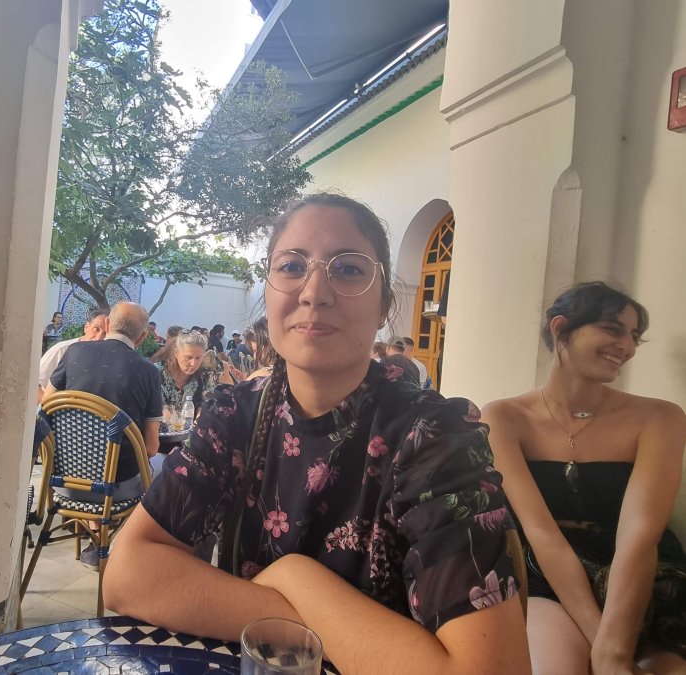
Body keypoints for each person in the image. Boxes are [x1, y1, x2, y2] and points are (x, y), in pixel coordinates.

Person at [104, 193, 529, 674]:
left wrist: (294, 576)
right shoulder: (234, 414)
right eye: (291, 266)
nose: (314, 292)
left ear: (384, 306)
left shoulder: (435, 437)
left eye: (348, 269)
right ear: (268, 293)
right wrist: (306, 619)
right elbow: (127, 574)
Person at [482, 282, 686, 675]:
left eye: (634, 336)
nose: (627, 347)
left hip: (644, 575)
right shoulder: (504, 417)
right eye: (612, 329)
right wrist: (605, 648)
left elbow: (639, 536)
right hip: (547, 575)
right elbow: (541, 533)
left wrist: (616, 649)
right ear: (561, 328)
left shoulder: (662, 418)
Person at [43, 302, 164, 567]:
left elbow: (47, 406)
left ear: (108, 324)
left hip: (64, 484)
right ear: (142, 337)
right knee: (160, 466)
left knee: (101, 461)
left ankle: (95, 540)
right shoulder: (148, 372)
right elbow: (151, 447)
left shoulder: (74, 352)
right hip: (115, 490)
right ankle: (123, 549)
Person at [36, 308, 109, 403]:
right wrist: (50, 407)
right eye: (96, 329)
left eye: (105, 333)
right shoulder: (61, 350)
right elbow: (36, 385)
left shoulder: (109, 359)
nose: (99, 337)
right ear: (86, 327)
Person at [155, 330, 236, 415]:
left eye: (198, 358)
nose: (193, 364)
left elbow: (207, 406)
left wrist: (201, 413)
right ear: (176, 353)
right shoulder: (156, 374)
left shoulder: (205, 376)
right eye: (188, 357)